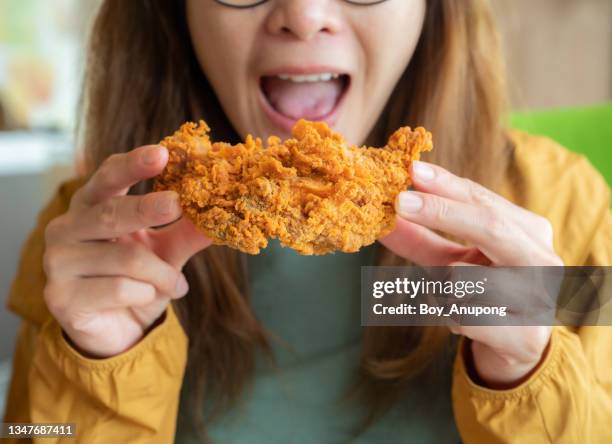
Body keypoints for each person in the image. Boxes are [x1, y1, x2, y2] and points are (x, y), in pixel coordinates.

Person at [4, 0, 611, 443]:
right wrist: (97, 367)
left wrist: (529, 375)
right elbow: (40, 430)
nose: (304, 13)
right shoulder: (88, 234)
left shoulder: (566, 205)